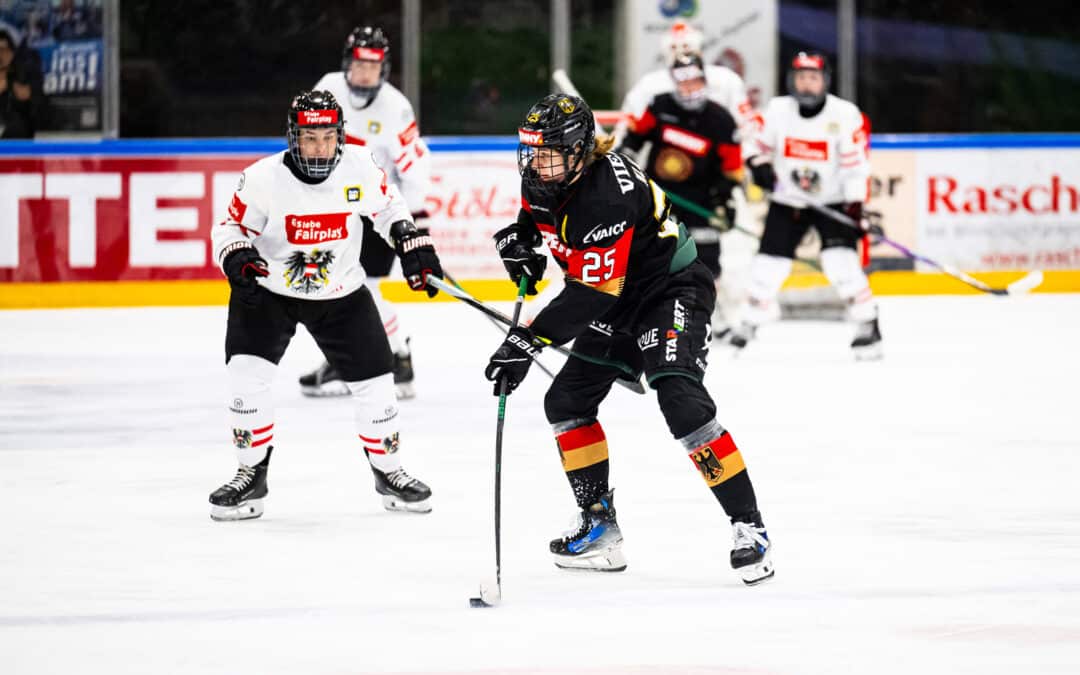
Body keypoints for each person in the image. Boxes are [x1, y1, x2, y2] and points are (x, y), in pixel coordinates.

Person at [483, 94, 774, 585]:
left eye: (549, 151)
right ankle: (599, 525)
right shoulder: (545, 177)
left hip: (667, 290)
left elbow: (593, 291)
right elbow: (540, 219)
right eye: (531, 150)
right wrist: (520, 242)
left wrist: (527, 341)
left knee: (679, 399)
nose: (536, 162)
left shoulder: (604, 196)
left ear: (578, 151)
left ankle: (750, 526)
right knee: (568, 401)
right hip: (615, 298)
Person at [208, 90, 442, 521]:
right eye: (309, 138)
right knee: (246, 374)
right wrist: (236, 253)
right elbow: (229, 227)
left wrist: (410, 241)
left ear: (341, 136)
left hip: (341, 294)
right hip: (268, 293)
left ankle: (389, 472)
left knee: (377, 382)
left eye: (328, 137)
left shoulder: (361, 166)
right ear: (292, 138)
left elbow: (389, 208)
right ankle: (250, 474)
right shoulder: (262, 178)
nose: (319, 147)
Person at [298, 25, 433, 399]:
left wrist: (413, 217)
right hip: (336, 208)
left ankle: (386, 357)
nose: (365, 73)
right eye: (359, 64)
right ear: (347, 63)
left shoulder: (396, 107)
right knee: (332, 288)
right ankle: (376, 358)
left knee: (361, 289)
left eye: (373, 66)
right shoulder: (327, 88)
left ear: (384, 68)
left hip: (376, 209)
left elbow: (414, 166)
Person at [729, 52, 882, 359]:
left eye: (813, 78)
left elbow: (856, 166)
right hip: (789, 200)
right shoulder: (777, 110)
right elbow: (755, 145)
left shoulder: (843, 114)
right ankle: (749, 322)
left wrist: (854, 204)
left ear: (824, 81)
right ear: (792, 80)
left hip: (833, 201)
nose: (807, 84)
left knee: (841, 263)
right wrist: (756, 162)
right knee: (769, 265)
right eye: (801, 77)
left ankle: (867, 323)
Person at [619, 53, 743, 336]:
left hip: (702, 200)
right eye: (682, 82)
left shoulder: (721, 120)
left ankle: (710, 312)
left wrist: (722, 200)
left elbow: (732, 169)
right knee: (651, 253)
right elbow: (636, 137)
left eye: (694, 80)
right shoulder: (660, 105)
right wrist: (625, 155)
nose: (689, 88)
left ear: (704, 79)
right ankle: (645, 311)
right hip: (659, 195)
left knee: (706, 257)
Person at [0, 29, 44, 139]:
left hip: (21, 127)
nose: (1, 54)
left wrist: (9, 81)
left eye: (4, 49)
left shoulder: (25, 68)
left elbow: (25, 94)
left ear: (12, 51)